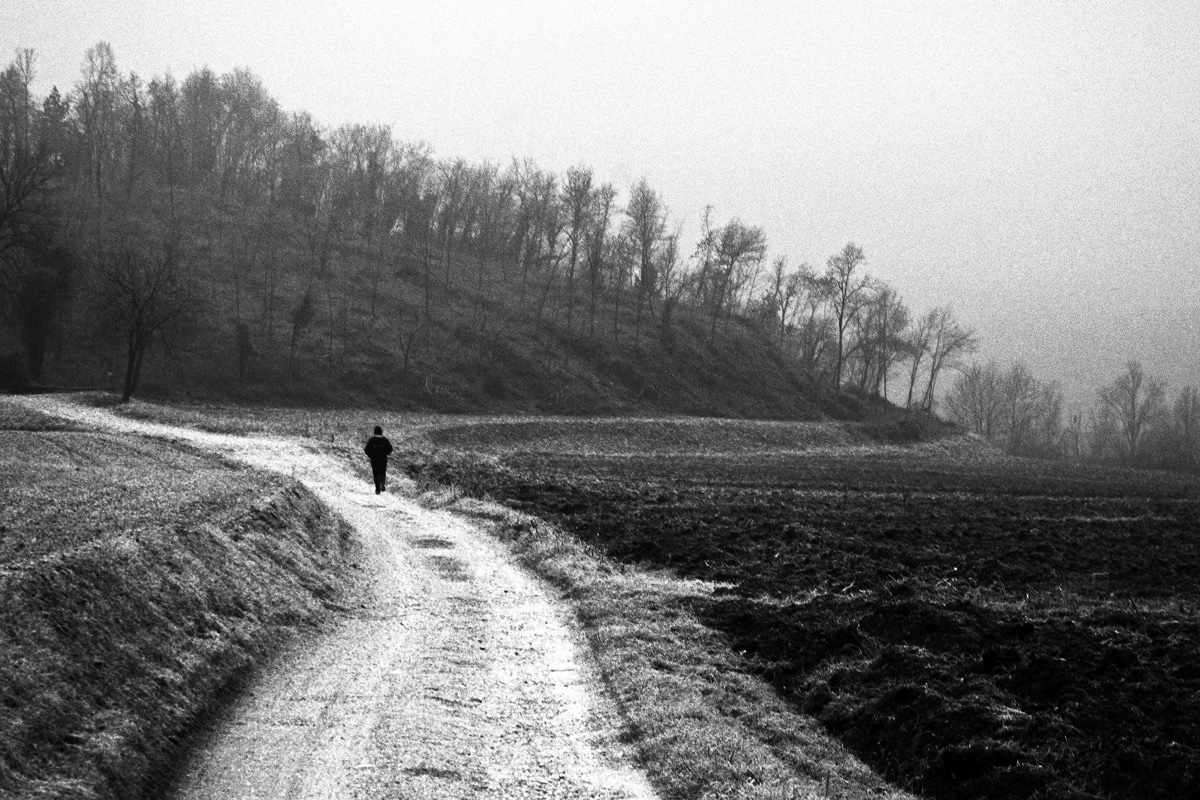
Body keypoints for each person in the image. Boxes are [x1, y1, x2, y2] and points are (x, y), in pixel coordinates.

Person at [363, 426, 393, 494]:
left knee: (375, 473)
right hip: (383, 459)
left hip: (374, 459)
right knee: (382, 472)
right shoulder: (384, 440)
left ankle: (377, 489)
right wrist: (386, 453)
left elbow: (366, 450)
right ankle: (382, 484)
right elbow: (390, 449)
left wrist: (370, 455)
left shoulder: (372, 440)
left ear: (374, 432)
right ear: (381, 432)